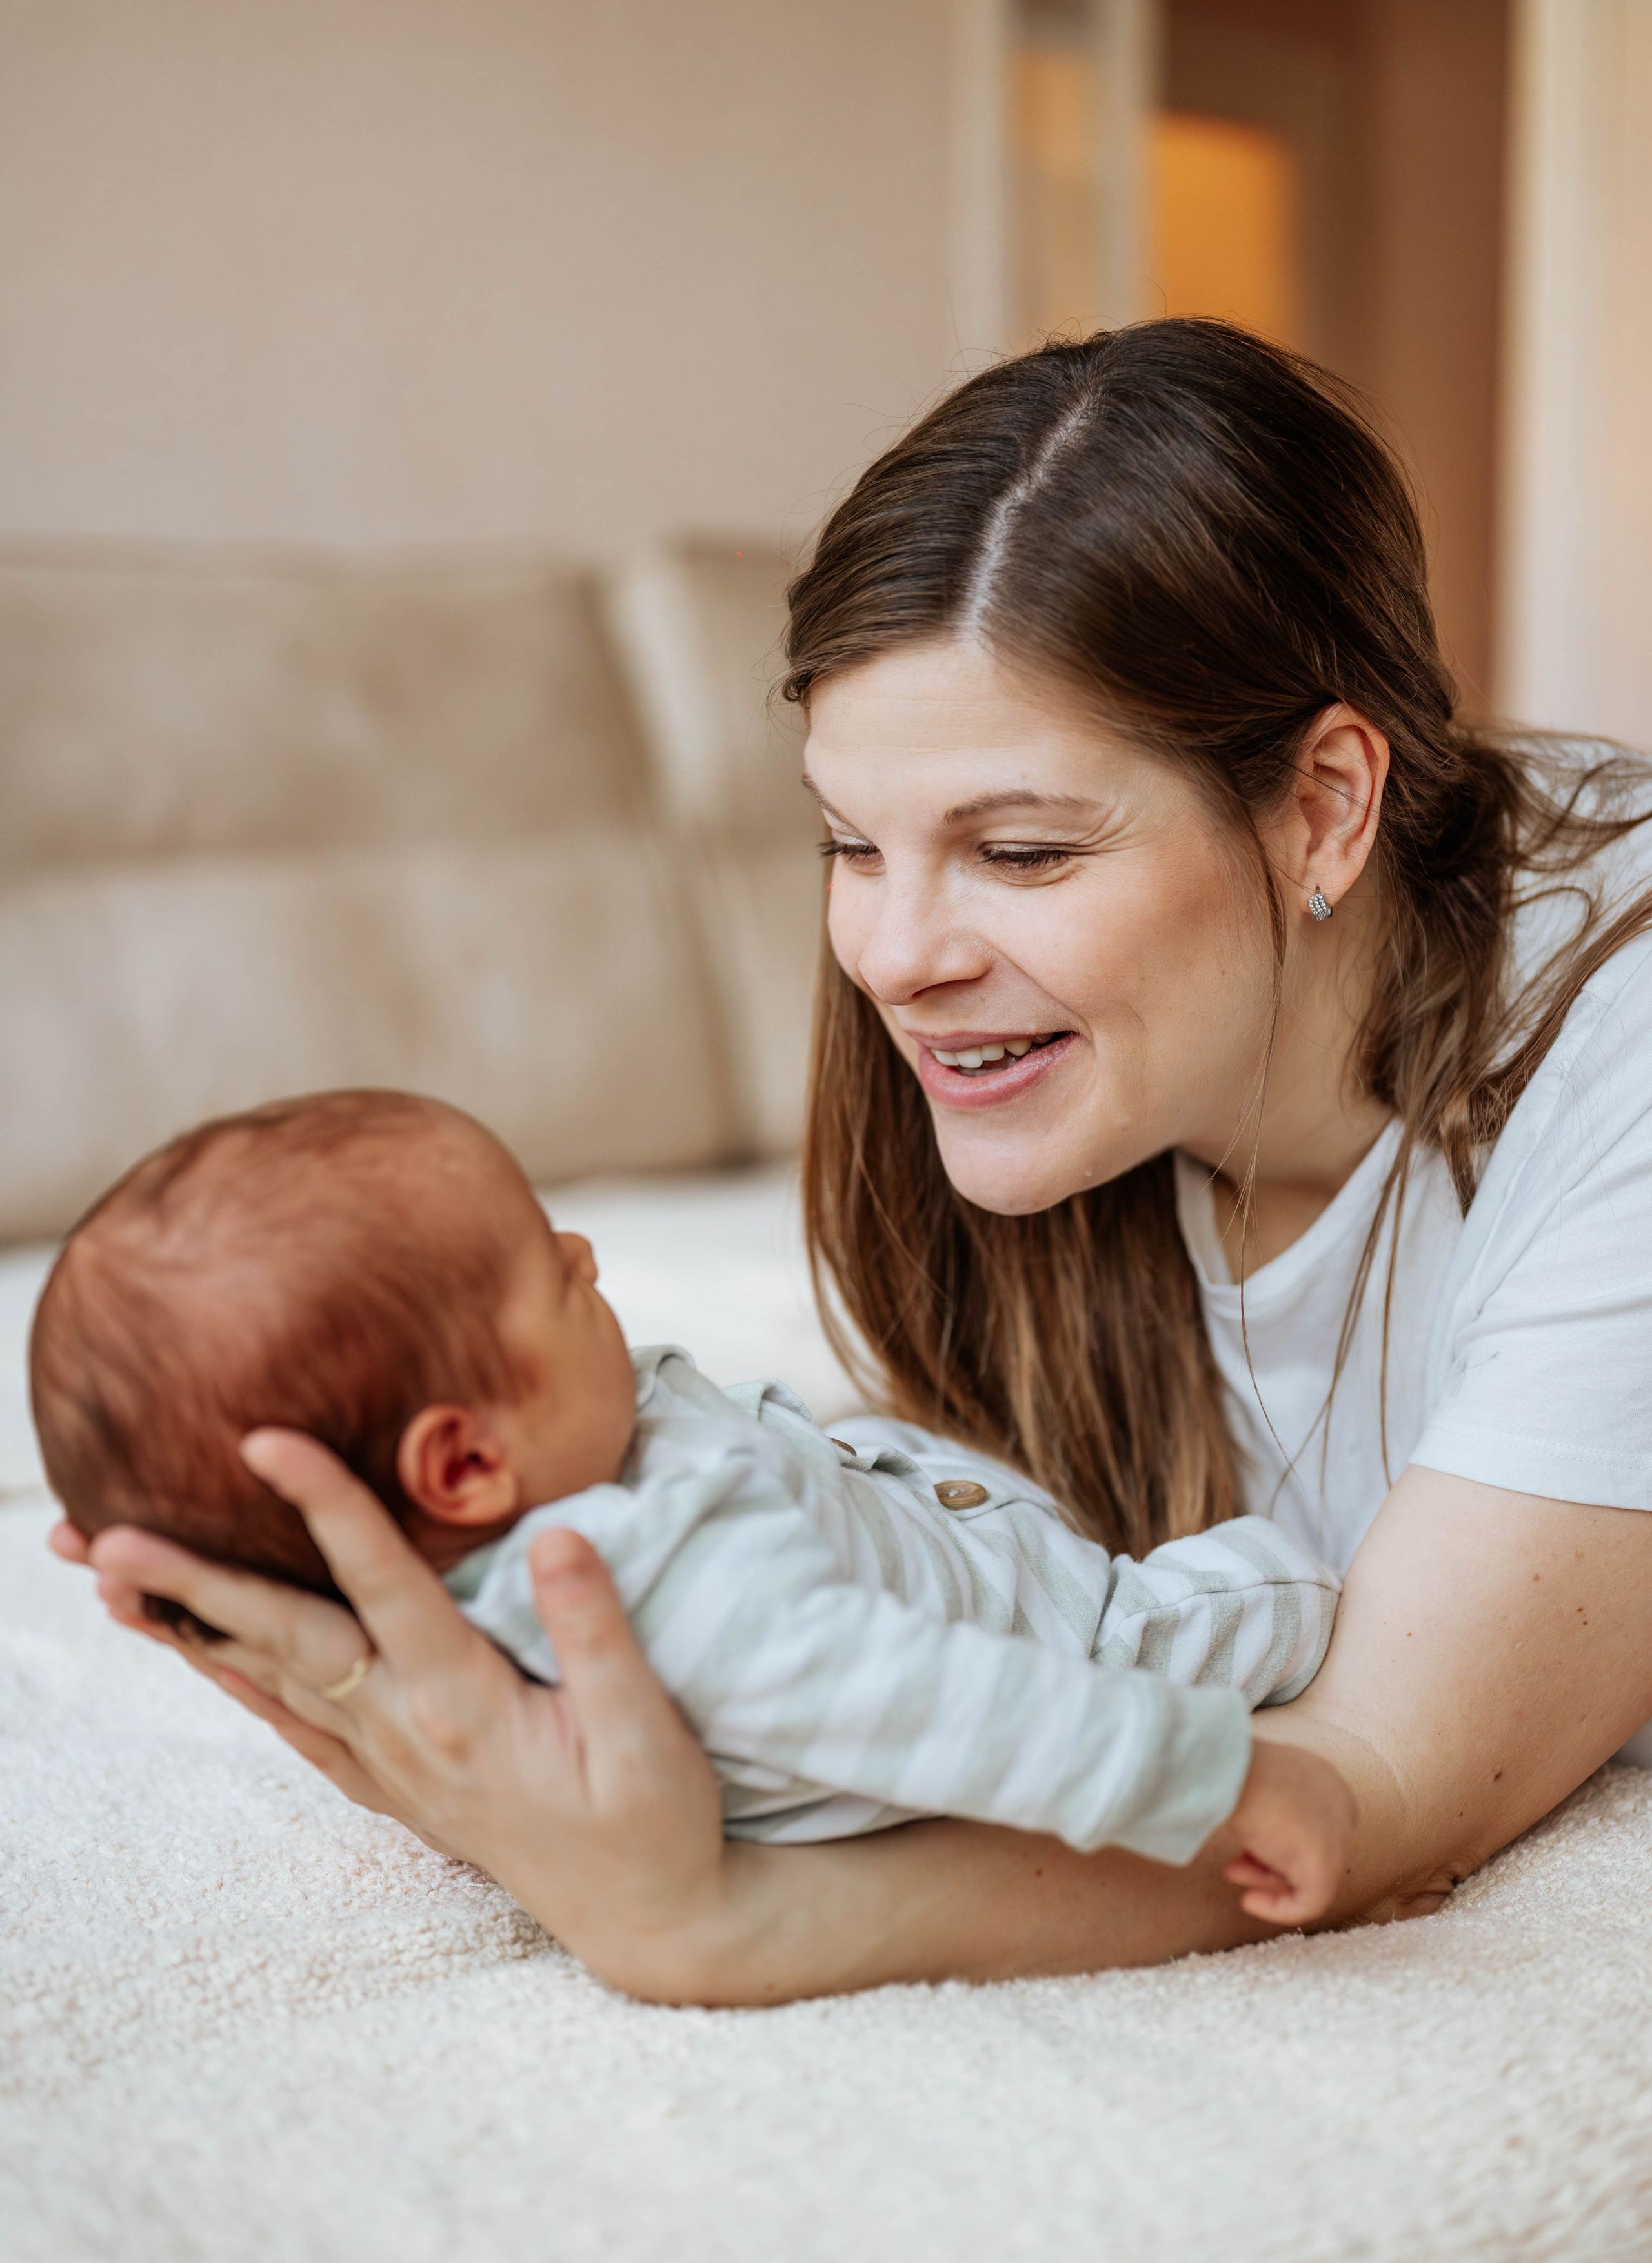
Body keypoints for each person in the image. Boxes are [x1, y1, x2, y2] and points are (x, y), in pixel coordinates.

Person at [65, 319, 1652, 2006]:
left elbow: (1364, 1790)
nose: (893, 956)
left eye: (1022, 849)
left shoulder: (1611, 1063)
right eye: (846, 841)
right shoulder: (1034, 1085)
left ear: (1328, 805)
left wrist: (719, 1920)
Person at [30, 1091, 1351, 1919]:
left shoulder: (551, 1495)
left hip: (904, 1511)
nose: (584, 1252)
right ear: (463, 1467)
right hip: (1066, 1632)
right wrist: (1220, 1781)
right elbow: (938, 1704)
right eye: (547, 1274)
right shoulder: (662, 1589)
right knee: (1296, 1587)